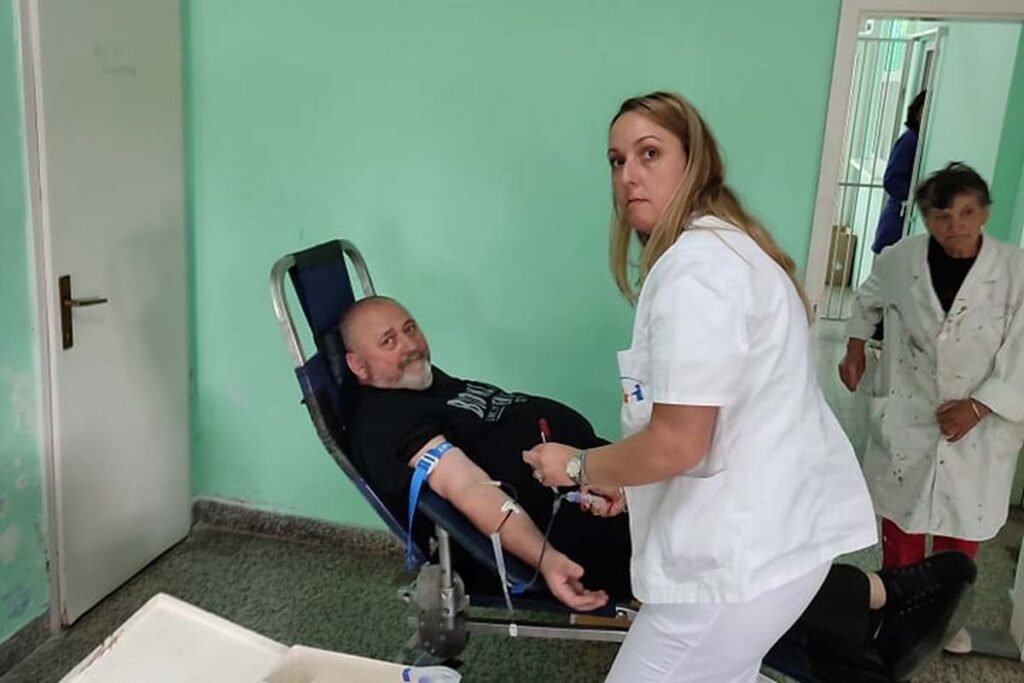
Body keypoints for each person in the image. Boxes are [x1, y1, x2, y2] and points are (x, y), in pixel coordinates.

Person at [340, 295, 973, 683]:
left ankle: (859, 635)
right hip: (566, 529)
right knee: (717, 555)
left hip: (592, 491)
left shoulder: (428, 382)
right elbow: (472, 490)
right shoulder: (388, 419)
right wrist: (548, 559)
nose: (410, 344)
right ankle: (877, 606)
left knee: (720, 521)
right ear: (357, 366)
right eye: (389, 341)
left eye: (410, 327)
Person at [839, 162, 1024, 654]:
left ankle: (944, 618)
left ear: (984, 213)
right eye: (942, 216)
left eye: (967, 212)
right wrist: (855, 347)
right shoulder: (900, 259)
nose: (955, 225)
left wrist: (979, 406)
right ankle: (899, 612)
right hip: (909, 407)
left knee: (960, 528)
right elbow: (867, 300)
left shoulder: (1015, 270)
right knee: (901, 521)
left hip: (980, 426)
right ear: (926, 218)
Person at [872, 91, 927, 254]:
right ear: (917, 113)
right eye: (925, 109)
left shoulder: (922, 141)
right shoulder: (910, 140)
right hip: (898, 220)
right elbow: (891, 180)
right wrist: (918, 195)